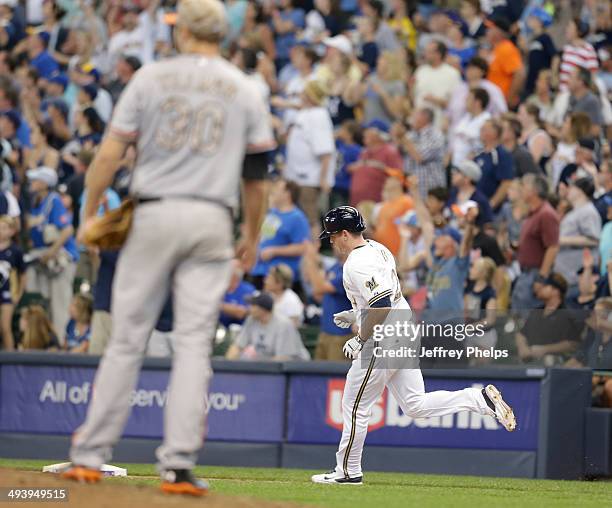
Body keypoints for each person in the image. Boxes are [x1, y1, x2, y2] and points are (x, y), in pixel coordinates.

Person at [62, 0, 275, 496]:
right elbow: (257, 180)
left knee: (127, 339)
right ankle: (178, 466)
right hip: (212, 219)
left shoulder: (151, 77)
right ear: (221, 35)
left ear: (182, 32)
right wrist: (251, 236)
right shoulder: (245, 88)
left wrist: (90, 211)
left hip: (154, 212)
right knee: (194, 345)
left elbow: (110, 153)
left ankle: (90, 454)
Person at [311, 206, 515, 486]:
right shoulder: (377, 248)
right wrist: (355, 314)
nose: (331, 241)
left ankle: (348, 471)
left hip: (385, 336)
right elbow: (385, 298)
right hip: (405, 328)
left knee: (354, 405)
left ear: (345, 234)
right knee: (415, 405)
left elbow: (381, 305)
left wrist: (360, 339)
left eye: (333, 235)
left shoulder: (356, 262)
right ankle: (477, 399)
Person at [25, 166, 78, 338]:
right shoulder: (36, 201)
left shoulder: (53, 200)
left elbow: (67, 230)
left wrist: (51, 251)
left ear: (44, 183)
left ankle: (62, 343)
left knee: (60, 305)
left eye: (36, 180)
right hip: (43, 260)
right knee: (42, 302)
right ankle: (43, 341)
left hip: (60, 260)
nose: (32, 183)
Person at [284, 80, 335, 228]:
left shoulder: (318, 116)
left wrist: (323, 179)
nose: (301, 94)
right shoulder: (306, 112)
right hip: (296, 176)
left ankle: (313, 249)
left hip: (310, 179)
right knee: (296, 219)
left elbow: (325, 151)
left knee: (309, 219)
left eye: (305, 92)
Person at [511, 174, 560, 311]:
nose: (521, 189)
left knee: (526, 317)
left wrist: (541, 278)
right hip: (525, 272)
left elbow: (552, 247)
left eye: (525, 186)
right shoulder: (533, 214)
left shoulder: (546, 214)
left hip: (534, 274)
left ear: (534, 191)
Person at [250, 178, 310, 288]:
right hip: (260, 271)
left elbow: (302, 247)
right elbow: (265, 237)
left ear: (287, 194)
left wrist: (274, 251)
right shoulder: (272, 213)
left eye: (277, 189)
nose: (273, 191)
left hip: (279, 278)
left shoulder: (297, 218)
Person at [515, 273, 581, 364]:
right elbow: (522, 334)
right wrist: (523, 348)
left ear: (555, 290)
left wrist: (545, 349)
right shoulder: (537, 312)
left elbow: (573, 344)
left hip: (556, 364)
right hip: (531, 362)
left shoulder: (567, 314)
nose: (539, 289)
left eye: (545, 286)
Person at [302, 242, 352, 361]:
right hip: (325, 331)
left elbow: (320, 287)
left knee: (335, 376)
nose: (334, 245)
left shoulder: (349, 271)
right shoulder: (334, 267)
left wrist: (311, 260)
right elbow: (318, 293)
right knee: (319, 374)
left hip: (341, 334)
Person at [225, 291, 310, 361]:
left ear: (263, 309)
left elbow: (283, 358)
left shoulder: (283, 324)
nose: (249, 308)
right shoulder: (252, 319)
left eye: (253, 305)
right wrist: (228, 364)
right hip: (268, 366)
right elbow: (237, 346)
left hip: (296, 370)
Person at [554, 178, 602, 287]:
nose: (569, 190)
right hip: (565, 271)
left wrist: (561, 240)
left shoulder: (588, 211)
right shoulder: (576, 210)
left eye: (572, 187)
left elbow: (594, 240)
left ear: (580, 191)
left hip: (576, 274)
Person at [349, 119, 402, 207]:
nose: (364, 133)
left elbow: (399, 175)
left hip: (377, 205)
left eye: (368, 131)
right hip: (358, 204)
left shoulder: (390, 152)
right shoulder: (364, 152)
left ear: (379, 135)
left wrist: (382, 167)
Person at [412, 40, 461, 125]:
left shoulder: (452, 74)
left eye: (429, 52)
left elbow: (456, 103)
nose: (425, 54)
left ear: (438, 54)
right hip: (419, 121)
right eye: (426, 51)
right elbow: (414, 95)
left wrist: (435, 100)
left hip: (439, 121)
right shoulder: (420, 70)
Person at [401, 108, 446, 199]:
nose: (411, 119)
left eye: (414, 115)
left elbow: (420, 157)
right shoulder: (411, 135)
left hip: (431, 189)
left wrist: (404, 139)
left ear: (424, 117)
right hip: (413, 189)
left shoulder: (436, 135)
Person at [484, 15, 525, 109]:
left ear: (498, 32)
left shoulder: (507, 49)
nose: (487, 32)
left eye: (490, 29)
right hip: (492, 102)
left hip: (500, 103)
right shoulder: (495, 49)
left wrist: (509, 98)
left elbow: (520, 74)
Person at [475, 119, 514, 211]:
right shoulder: (479, 155)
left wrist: (491, 204)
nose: (480, 131)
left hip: (492, 209)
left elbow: (506, 183)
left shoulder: (502, 155)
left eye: (484, 129)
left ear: (494, 133)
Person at [372, 174, 412, 256]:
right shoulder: (384, 206)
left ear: (399, 182)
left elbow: (411, 228)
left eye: (391, 178)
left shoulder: (407, 202)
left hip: (398, 254)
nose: (386, 180)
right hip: (382, 254)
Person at [0, 215, 24, 351]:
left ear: (12, 231)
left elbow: (23, 274)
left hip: (7, 294)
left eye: (4, 228)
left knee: (5, 327)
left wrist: (18, 294)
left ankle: (10, 357)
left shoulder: (16, 251)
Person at [450, 87, 490, 167]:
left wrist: (475, 155)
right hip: (456, 164)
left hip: (473, 166)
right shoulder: (465, 117)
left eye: (468, 98)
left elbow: (487, 145)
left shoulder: (486, 121)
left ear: (477, 102)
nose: (465, 101)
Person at [559, 18, 599, 92]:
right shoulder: (567, 48)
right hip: (563, 93)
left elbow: (592, 76)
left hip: (576, 95)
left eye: (570, 27)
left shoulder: (588, 49)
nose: (566, 29)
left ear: (578, 31)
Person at [219, 260, 256, 328]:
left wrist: (219, 305)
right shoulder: (219, 287)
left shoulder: (248, 289)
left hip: (240, 330)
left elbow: (242, 312)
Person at [517, 103, 553, 171]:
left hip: (535, 178)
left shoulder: (540, 136)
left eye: (520, 114)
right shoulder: (519, 134)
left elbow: (532, 163)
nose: (517, 117)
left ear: (532, 116)